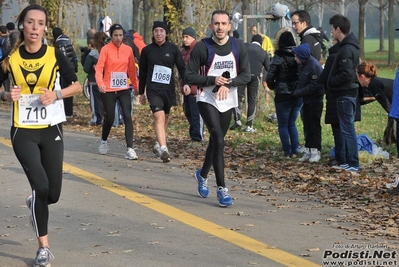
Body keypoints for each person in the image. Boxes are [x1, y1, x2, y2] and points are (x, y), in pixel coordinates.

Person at [0, 4, 81, 266]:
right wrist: (5, 95)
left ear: (46, 27)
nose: (35, 28)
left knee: (52, 194)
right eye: (30, 22)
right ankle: (43, 248)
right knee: (41, 187)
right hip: (22, 131)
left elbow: (77, 86)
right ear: (22, 25)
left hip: (51, 128)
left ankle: (36, 200)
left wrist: (56, 94)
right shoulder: (10, 59)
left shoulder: (55, 54)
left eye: (40, 23)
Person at [185, 10, 251, 206]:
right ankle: (222, 189)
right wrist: (213, 80)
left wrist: (227, 84)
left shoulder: (238, 46)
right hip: (207, 98)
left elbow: (247, 75)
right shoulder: (202, 47)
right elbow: (189, 75)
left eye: (224, 23)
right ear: (211, 26)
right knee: (219, 140)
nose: (220, 27)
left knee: (216, 143)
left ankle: (202, 174)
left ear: (230, 26)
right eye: (216, 23)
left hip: (228, 99)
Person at [138, 21, 186, 163]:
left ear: (166, 33)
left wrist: (186, 83)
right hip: (153, 90)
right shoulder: (147, 51)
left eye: (161, 31)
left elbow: (181, 67)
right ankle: (164, 149)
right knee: (158, 117)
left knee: (164, 118)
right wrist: (142, 93)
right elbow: (143, 71)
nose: (158, 33)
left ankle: (158, 143)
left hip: (168, 89)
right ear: (153, 33)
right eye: (156, 31)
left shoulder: (173, 49)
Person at [95, 23, 139, 160]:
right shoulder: (105, 50)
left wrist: (137, 87)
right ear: (111, 36)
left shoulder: (128, 50)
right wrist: (100, 83)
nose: (118, 38)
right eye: (115, 35)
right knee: (110, 118)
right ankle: (103, 140)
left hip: (124, 88)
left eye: (120, 35)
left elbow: (132, 69)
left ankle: (130, 149)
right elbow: (99, 68)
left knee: (127, 116)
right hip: (108, 89)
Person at [327, 14, 360, 172]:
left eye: (332, 29)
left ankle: (353, 163)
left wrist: (331, 82)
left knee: (347, 129)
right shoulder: (349, 46)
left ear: (338, 29)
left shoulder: (346, 49)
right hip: (347, 92)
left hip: (344, 93)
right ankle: (349, 161)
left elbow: (347, 74)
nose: (331, 32)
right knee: (346, 128)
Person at [266, 29, 300, 158]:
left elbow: (270, 76)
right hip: (297, 92)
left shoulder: (278, 57)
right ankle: (295, 150)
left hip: (282, 93)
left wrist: (274, 86)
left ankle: (287, 151)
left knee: (283, 124)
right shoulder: (298, 55)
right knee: (292, 123)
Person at [230, 34, 270, 132]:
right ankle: (249, 125)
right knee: (252, 100)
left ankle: (237, 119)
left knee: (237, 97)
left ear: (251, 40)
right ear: (261, 43)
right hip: (255, 77)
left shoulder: (243, 46)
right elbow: (268, 68)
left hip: (242, 74)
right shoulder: (263, 52)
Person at [292, 43, 324, 162]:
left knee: (314, 125)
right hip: (306, 100)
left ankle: (316, 150)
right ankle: (309, 148)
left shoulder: (314, 66)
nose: (295, 59)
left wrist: (299, 92)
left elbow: (315, 85)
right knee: (307, 125)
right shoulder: (303, 65)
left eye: (297, 57)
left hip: (315, 100)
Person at [180, 27, 204, 145]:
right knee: (188, 113)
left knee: (196, 115)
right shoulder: (183, 51)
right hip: (186, 88)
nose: (184, 39)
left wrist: (193, 85)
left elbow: (199, 70)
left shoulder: (198, 49)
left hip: (196, 89)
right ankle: (193, 136)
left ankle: (198, 138)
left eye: (187, 37)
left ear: (193, 37)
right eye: (183, 37)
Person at [52, 27, 78, 118]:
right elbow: (73, 55)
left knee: (64, 91)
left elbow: (62, 58)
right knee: (70, 91)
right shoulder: (68, 41)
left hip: (64, 71)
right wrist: (75, 67)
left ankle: (65, 112)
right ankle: (69, 112)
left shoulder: (59, 43)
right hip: (71, 69)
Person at [84, 31, 108, 126]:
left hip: (94, 81)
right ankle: (106, 118)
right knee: (105, 101)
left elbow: (86, 68)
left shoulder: (93, 54)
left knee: (95, 101)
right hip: (106, 81)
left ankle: (96, 118)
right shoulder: (108, 52)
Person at [250, 24, 274, 108]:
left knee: (265, 83)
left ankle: (266, 103)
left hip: (265, 63)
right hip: (258, 65)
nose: (253, 32)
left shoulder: (266, 39)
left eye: (254, 31)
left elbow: (271, 51)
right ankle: (256, 102)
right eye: (252, 31)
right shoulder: (254, 40)